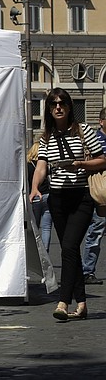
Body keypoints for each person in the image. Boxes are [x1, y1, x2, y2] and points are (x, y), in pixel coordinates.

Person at [29, 88, 106, 320]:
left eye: (62, 103)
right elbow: (42, 165)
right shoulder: (46, 138)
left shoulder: (84, 132)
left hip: (81, 197)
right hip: (57, 198)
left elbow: (102, 158)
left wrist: (80, 165)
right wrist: (34, 187)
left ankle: (63, 302)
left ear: (70, 106)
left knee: (70, 247)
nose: (58, 107)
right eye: (53, 104)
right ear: (49, 110)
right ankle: (82, 304)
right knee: (69, 251)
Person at [82, 107, 106, 285]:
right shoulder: (95, 139)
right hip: (101, 191)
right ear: (101, 121)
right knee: (96, 231)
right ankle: (88, 271)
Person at [27, 141, 52, 252]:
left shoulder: (28, 166)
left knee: (35, 226)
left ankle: (36, 250)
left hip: (34, 197)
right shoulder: (46, 165)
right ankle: (45, 250)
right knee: (47, 227)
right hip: (47, 195)